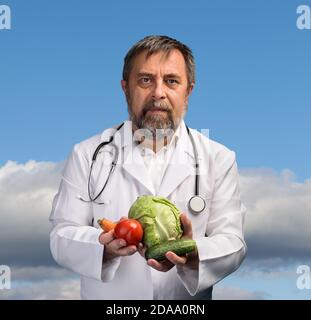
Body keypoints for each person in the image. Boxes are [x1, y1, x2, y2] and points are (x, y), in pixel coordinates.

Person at [49, 35, 247, 300]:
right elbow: (61, 236)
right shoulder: (87, 154)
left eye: (171, 81)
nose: (158, 93)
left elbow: (233, 243)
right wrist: (103, 248)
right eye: (145, 80)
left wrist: (193, 254)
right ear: (126, 88)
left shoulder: (218, 158)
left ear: (188, 92)